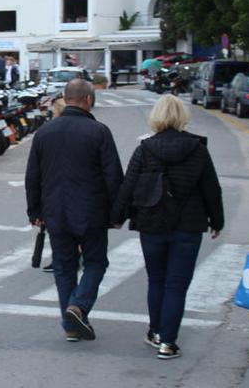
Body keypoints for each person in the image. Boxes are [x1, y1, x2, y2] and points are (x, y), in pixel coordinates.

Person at [110, 95, 224, 360]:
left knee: (157, 280)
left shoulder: (145, 149)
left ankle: (156, 332)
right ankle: (168, 343)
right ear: (182, 116)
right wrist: (216, 221)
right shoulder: (197, 149)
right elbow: (211, 189)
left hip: (152, 223)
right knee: (176, 285)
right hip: (188, 225)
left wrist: (117, 216)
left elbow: (128, 186)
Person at [25, 78, 123, 343]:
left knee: (64, 267)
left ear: (66, 99)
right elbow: (113, 176)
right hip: (92, 212)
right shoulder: (99, 132)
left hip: (54, 212)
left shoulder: (44, 132)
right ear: (89, 100)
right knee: (96, 263)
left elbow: (32, 176)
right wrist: (117, 214)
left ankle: (70, 326)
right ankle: (78, 307)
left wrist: (34, 210)